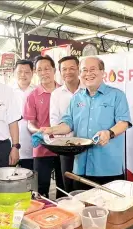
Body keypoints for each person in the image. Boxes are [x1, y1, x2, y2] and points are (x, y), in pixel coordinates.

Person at [40, 56, 132, 190]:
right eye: (84, 70)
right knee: (82, 205)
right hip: (81, 165)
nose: (88, 74)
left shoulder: (117, 95)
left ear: (102, 72)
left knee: (109, 206)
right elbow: (68, 123)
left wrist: (109, 133)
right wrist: (51, 130)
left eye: (92, 69)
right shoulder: (77, 98)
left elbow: (124, 122)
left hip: (107, 165)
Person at [23, 55, 64, 198]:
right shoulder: (33, 95)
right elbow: (30, 123)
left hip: (64, 147)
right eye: (39, 70)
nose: (43, 72)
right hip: (42, 148)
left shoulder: (65, 92)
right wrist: (37, 131)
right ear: (36, 73)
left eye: (47, 69)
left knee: (64, 187)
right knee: (40, 189)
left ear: (54, 70)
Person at [50, 56, 82, 192]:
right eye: (64, 69)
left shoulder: (88, 90)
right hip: (66, 146)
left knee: (84, 184)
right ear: (60, 72)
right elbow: (54, 120)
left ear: (78, 69)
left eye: (72, 68)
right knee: (67, 183)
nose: (68, 72)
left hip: (87, 145)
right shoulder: (56, 94)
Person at [12, 59, 36, 171]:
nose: (23, 75)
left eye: (27, 72)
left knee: (30, 180)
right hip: (11, 146)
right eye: (20, 71)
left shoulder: (37, 91)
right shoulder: (7, 91)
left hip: (32, 145)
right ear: (14, 72)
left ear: (33, 73)